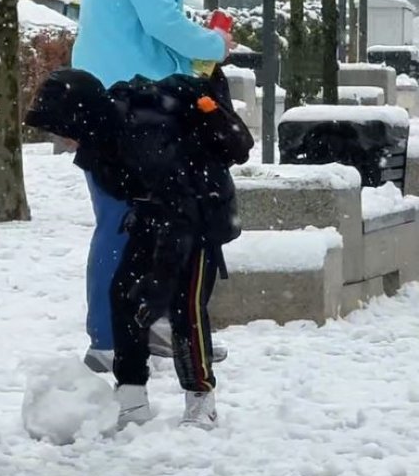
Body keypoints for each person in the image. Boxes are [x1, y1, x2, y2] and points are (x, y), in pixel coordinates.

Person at [27, 66, 252, 429]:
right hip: (156, 214)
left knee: (185, 309)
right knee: (124, 297)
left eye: (62, 129)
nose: (62, 139)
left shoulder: (141, 134)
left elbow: (180, 213)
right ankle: (131, 399)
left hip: (201, 213)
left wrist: (160, 283)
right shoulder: (101, 138)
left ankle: (201, 399)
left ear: (79, 118)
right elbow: (141, 195)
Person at [70, 0, 234, 374]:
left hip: (127, 101)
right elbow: (160, 19)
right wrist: (212, 45)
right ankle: (107, 336)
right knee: (124, 219)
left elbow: (148, 27)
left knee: (147, 218)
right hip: (122, 108)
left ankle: (146, 319)